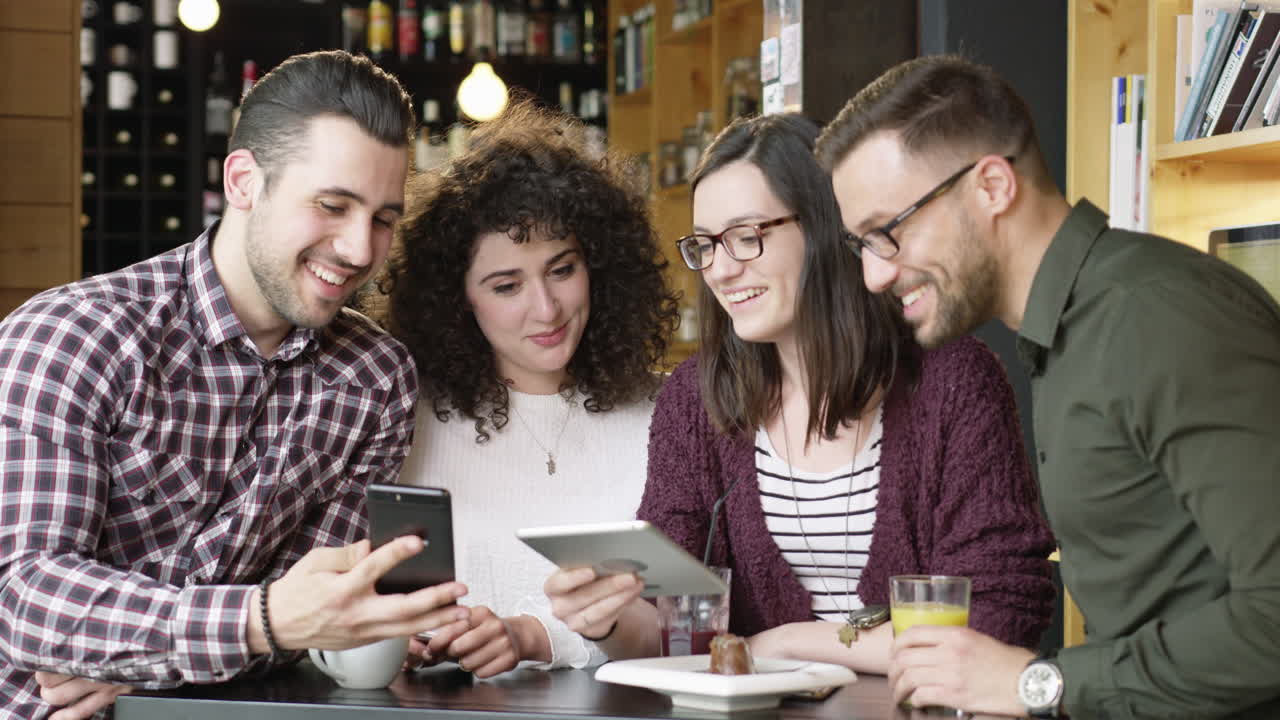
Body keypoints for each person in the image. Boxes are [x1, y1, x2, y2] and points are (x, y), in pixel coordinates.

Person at [0, 50, 470, 720]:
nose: (361, 249)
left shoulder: (376, 378)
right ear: (245, 182)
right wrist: (259, 618)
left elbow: (323, 615)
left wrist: (138, 654)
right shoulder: (75, 335)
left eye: (384, 219)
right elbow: (24, 600)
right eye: (332, 205)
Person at [815, 54, 1280, 719]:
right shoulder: (1066, 337)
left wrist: (1041, 685)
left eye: (886, 232)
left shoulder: (1154, 316)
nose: (874, 277)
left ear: (993, 186)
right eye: (859, 245)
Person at [544, 113, 1055, 673]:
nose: (721, 270)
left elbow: (998, 615)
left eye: (746, 237)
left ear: (824, 226)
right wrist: (609, 619)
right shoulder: (695, 400)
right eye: (706, 245)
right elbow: (673, 623)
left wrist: (790, 643)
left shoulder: (952, 381)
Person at [371, 101, 678, 677]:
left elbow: (687, 619)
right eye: (507, 285)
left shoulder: (666, 416)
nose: (547, 308)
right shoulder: (403, 421)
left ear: (601, 265)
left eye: (562, 270)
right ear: (457, 299)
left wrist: (535, 635)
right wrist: (397, 633)